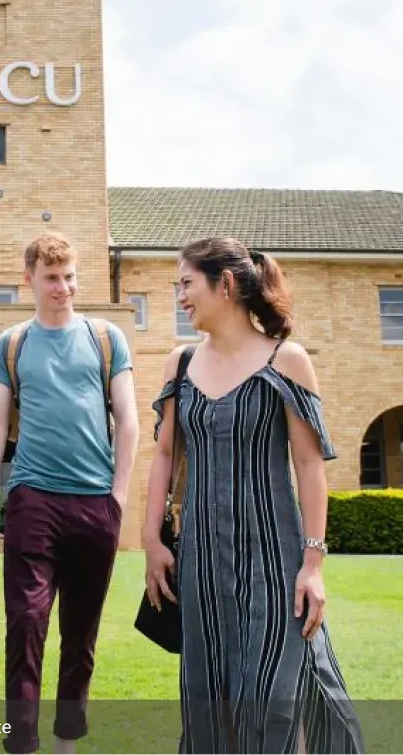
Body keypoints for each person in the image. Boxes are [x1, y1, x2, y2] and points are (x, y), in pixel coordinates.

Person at [143, 237, 365, 754]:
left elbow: (309, 466)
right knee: (209, 691)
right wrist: (153, 540)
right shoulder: (179, 364)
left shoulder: (285, 359)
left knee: (278, 690)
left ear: (225, 284)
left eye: (186, 284)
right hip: (200, 561)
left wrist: (313, 564)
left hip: (274, 559)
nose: (180, 297)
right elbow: (163, 457)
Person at [0, 232, 139, 755]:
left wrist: (118, 496)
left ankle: (67, 742)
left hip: (95, 501)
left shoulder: (106, 337)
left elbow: (130, 421)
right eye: (52, 278)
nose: (63, 287)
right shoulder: (12, 343)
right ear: (30, 280)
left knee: (80, 633)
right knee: (25, 622)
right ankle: (21, 741)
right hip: (32, 498)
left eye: (70, 277)